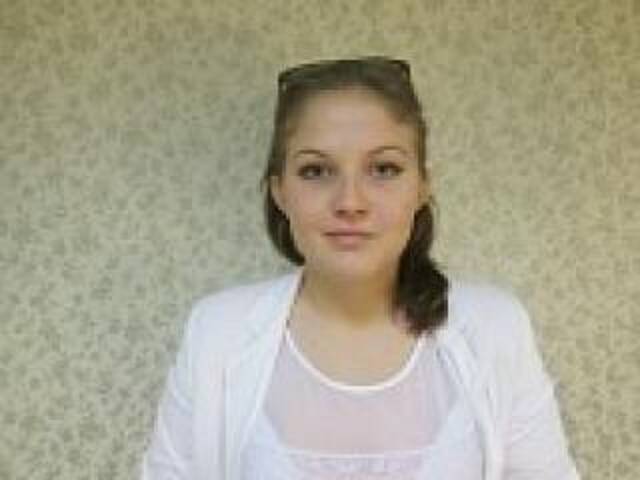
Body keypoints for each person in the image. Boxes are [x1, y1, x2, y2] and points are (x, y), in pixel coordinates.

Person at [140, 57, 580, 480]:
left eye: (384, 169)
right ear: (280, 192)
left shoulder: (495, 327)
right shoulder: (217, 332)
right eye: (316, 171)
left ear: (422, 186)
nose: (350, 202)